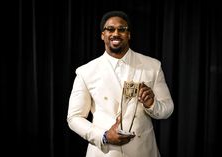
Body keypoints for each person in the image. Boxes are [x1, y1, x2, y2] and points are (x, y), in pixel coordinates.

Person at [67, 10, 174, 157]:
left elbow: (168, 108)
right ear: (102, 35)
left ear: (128, 34)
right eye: (110, 29)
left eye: (122, 29)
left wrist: (152, 104)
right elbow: (74, 117)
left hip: (143, 151)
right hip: (105, 152)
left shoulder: (152, 66)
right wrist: (103, 136)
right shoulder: (86, 71)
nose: (116, 33)